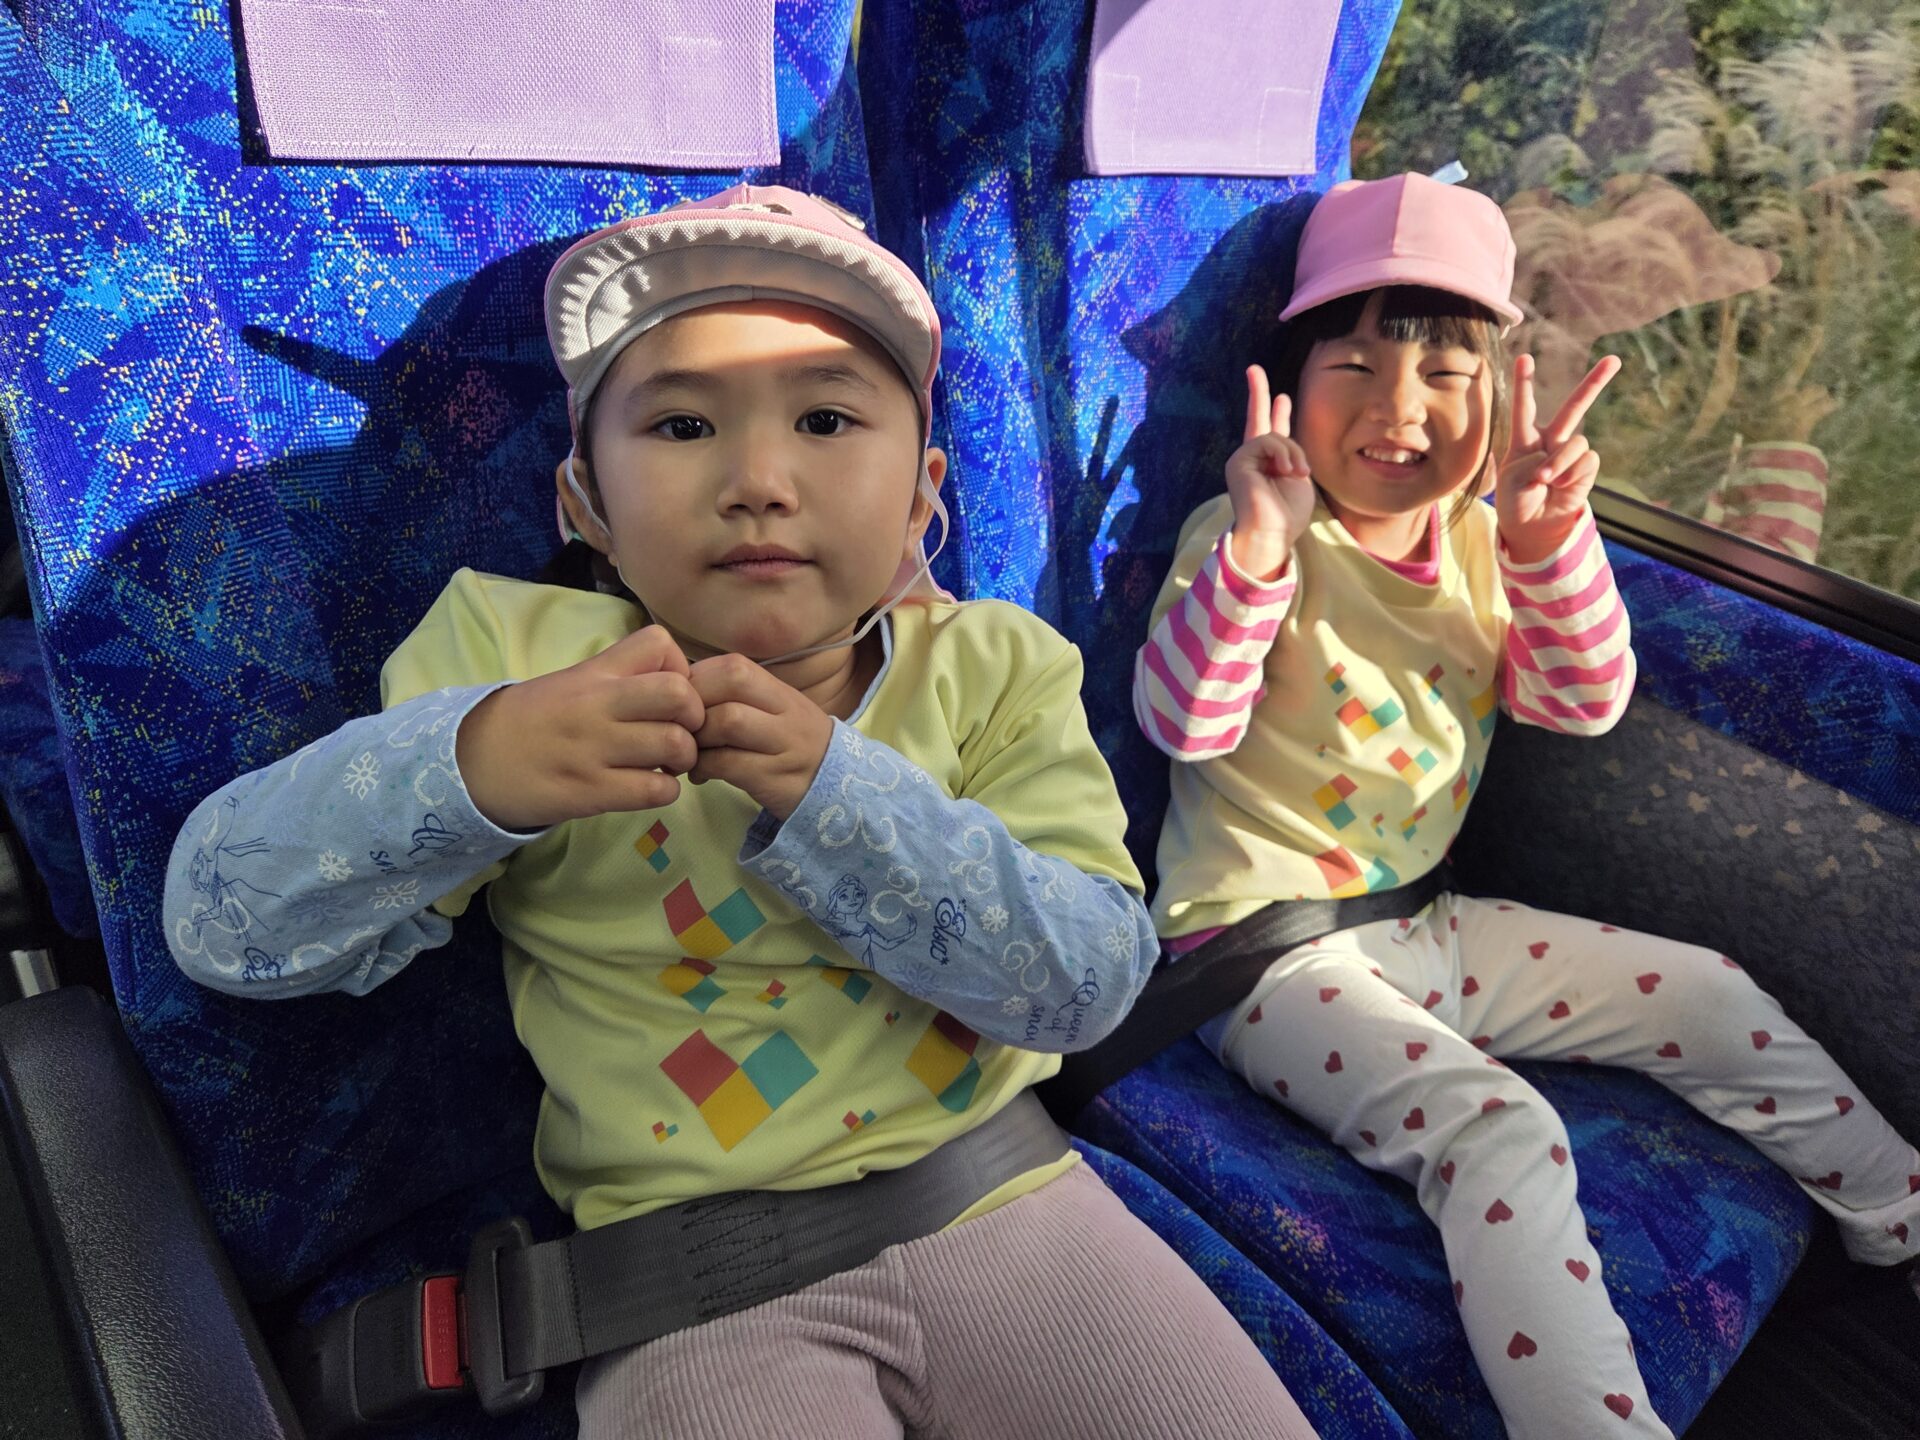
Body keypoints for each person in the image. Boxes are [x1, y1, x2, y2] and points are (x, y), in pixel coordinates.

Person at [164, 185, 1319, 1439]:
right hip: (690, 1288)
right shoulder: (511, 655)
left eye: (825, 419)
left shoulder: (996, 669)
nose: (758, 481)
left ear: (920, 497)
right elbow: (225, 926)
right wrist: (473, 767)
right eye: (681, 424)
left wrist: (838, 793)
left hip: (1009, 1206)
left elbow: (1088, 982)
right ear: (586, 505)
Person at [1133, 172, 1920, 1439]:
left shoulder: (1485, 542)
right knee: (1499, 1132)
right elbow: (1185, 721)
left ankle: (1900, 1219)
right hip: (1259, 956)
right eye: (1355, 365)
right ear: (1289, 382)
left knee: (1708, 990)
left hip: (1426, 924)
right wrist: (1263, 549)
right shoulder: (1253, 535)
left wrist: (1551, 543)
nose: (1400, 407)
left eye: (1447, 372)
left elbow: (1583, 700)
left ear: (1498, 396)